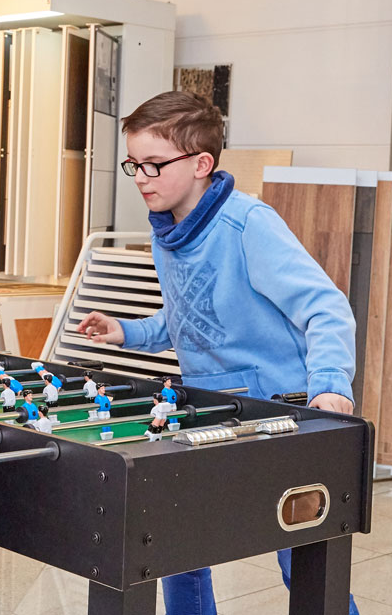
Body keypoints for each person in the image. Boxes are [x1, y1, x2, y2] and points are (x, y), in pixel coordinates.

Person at [77, 90, 359, 615]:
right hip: (207, 409)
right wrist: (127, 332)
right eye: (134, 164)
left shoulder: (248, 223)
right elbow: (190, 316)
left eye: (155, 164)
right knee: (175, 548)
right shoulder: (168, 231)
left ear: (201, 164)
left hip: (281, 414)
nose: (141, 177)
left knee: (303, 564)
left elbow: (327, 308)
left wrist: (330, 386)